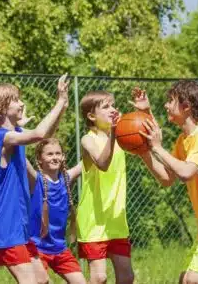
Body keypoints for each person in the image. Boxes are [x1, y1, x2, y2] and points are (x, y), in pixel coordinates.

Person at [136, 81, 198, 284]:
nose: (166, 106)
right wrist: (144, 150)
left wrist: (157, 148)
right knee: (184, 279)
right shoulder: (184, 139)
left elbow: (186, 172)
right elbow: (167, 178)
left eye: (171, 101)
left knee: (194, 279)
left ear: (186, 106)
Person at [0, 74, 69, 284]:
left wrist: (62, 106)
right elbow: (39, 134)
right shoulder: (4, 138)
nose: (22, 103)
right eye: (16, 100)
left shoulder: (14, 135)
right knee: (29, 281)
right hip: (4, 223)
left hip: (18, 224)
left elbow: (45, 135)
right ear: (1, 108)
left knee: (41, 280)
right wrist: (60, 101)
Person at [77, 90, 134, 284]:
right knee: (99, 277)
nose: (113, 110)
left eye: (113, 105)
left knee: (127, 277)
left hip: (116, 219)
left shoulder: (122, 138)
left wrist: (146, 112)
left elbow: (143, 139)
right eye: (106, 106)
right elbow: (102, 164)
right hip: (94, 220)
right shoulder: (88, 140)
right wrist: (114, 134)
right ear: (91, 116)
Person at [26, 138, 86, 284]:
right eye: (50, 154)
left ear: (63, 157)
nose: (55, 157)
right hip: (37, 248)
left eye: (58, 153)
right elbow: (22, 160)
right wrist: (15, 130)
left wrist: (109, 135)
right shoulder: (35, 180)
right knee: (42, 281)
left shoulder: (66, 179)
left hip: (59, 248)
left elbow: (86, 162)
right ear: (39, 159)